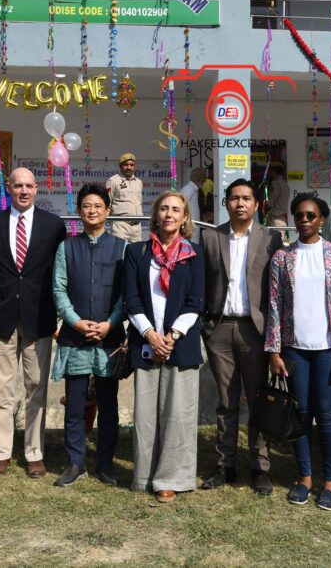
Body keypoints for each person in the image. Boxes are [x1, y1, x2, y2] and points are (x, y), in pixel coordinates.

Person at [267, 193, 331, 511]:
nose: (304, 220)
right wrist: (274, 351)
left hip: (328, 351)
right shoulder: (282, 257)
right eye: (299, 215)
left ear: (322, 220)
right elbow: (274, 305)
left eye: (310, 215)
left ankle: (330, 482)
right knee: (300, 415)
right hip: (295, 350)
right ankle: (304, 478)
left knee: (328, 418)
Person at [0, 167, 65, 478]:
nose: (24, 191)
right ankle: (1, 452)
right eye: (18, 186)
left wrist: (59, 314)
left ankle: (34, 452)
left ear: (37, 189)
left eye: (29, 186)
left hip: (39, 317)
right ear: (9, 189)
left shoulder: (54, 226)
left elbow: (59, 272)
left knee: (36, 388)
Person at [198, 179, 283, 496]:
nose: (240, 203)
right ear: (226, 203)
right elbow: (203, 282)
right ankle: (225, 465)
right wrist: (206, 327)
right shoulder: (210, 236)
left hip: (255, 330)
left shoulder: (270, 238)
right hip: (219, 328)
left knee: (257, 401)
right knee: (225, 403)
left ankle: (260, 467)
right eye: (234, 198)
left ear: (256, 204)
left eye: (246, 198)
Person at [125, 191, 204, 503]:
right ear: (155, 214)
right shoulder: (137, 252)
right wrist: (150, 335)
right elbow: (131, 297)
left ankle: (171, 478)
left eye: (176, 209)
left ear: (185, 218)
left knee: (178, 414)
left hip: (179, 344)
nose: (170, 214)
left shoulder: (194, 253)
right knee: (145, 415)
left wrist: (171, 336)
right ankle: (144, 475)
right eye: (164, 208)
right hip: (147, 343)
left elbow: (196, 300)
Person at [51, 184, 126, 488]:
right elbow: (58, 289)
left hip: (109, 338)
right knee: (75, 403)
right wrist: (75, 321)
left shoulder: (122, 248)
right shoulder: (67, 247)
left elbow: (126, 294)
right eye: (86, 206)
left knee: (108, 406)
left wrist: (110, 323)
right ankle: (75, 462)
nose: (92, 210)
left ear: (108, 210)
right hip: (76, 336)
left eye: (98, 205)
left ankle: (105, 464)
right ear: (79, 211)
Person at [106, 153, 143, 243]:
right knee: (120, 255)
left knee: (136, 255)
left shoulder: (138, 182)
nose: (129, 167)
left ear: (134, 166)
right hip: (120, 226)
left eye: (131, 165)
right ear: (120, 166)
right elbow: (107, 204)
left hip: (137, 227)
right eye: (126, 165)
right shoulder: (113, 181)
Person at [178, 166, 206, 236]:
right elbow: (180, 205)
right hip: (189, 225)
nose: (205, 181)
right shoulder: (189, 189)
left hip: (193, 225)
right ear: (199, 178)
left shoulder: (193, 189)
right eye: (204, 178)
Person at [265, 163, 290, 228]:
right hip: (282, 218)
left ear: (274, 171)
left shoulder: (275, 183)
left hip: (275, 218)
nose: (269, 173)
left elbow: (270, 203)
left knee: (274, 238)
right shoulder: (285, 184)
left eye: (270, 171)